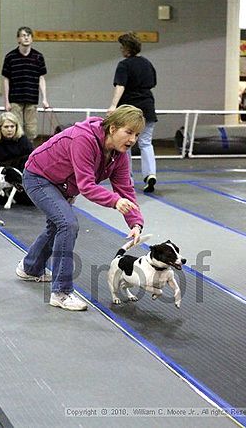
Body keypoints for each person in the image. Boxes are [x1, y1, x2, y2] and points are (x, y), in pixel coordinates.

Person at [16, 105, 145, 311]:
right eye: (128, 132)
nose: (132, 140)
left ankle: (30, 268)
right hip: (38, 177)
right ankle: (61, 292)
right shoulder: (83, 139)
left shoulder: (119, 154)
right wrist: (114, 201)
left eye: (137, 135)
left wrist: (136, 223)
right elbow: (87, 186)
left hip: (64, 184)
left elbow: (126, 190)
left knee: (58, 225)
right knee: (67, 224)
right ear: (112, 128)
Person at [108, 32, 158, 193]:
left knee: (125, 143)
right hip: (148, 106)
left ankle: (127, 178)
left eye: (122, 46)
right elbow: (153, 83)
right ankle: (150, 174)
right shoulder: (147, 64)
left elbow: (120, 86)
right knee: (146, 142)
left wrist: (113, 106)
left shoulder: (124, 65)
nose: (121, 49)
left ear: (127, 48)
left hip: (130, 109)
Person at [2, 26, 50, 141]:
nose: (26, 38)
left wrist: (45, 99)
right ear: (18, 39)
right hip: (15, 99)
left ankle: (29, 156)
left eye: (29, 35)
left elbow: (41, 78)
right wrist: (6, 101)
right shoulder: (10, 57)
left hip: (32, 98)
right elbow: (6, 79)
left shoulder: (38, 57)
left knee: (31, 130)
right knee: (15, 130)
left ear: (32, 39)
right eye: (23, 35)